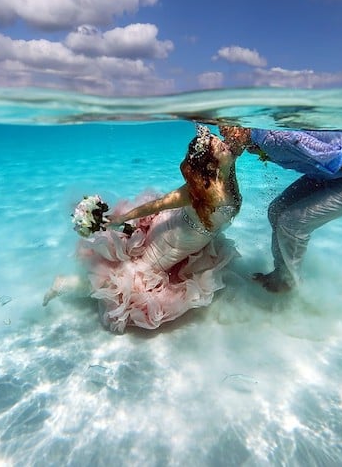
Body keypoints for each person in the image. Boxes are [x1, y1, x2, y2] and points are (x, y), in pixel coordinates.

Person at [44, 125, 242, 332]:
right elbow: (157, 205)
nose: (226, 145)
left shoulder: (227, 170)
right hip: (167, 244)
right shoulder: (197, 191)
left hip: (183, 233)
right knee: (126, 283)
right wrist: (122, 218)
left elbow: (241, 140)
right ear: (211, 165)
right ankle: (66, 284)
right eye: (220, 147)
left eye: (221, 142)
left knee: (131, 275)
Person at [219, 125, 342, 293]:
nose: (224, 137)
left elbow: (340, 158)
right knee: (277, 211)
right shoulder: (259, 137)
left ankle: (289, 286)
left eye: (225, 128)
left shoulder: (277, 137)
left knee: (291, 222)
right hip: (333, 175)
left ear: (240, 124)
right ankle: (282, 273)